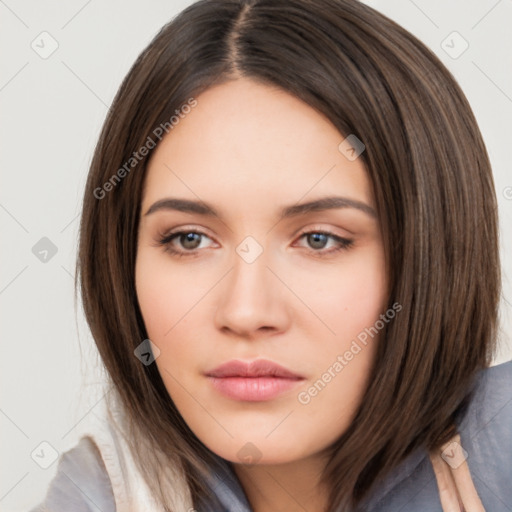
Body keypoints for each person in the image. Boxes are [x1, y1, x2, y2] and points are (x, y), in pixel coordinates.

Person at [31, 0, 512, 511]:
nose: (246, 311)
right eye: (189, 239)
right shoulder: (101, 494)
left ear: (431, 254)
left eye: (319, 239)